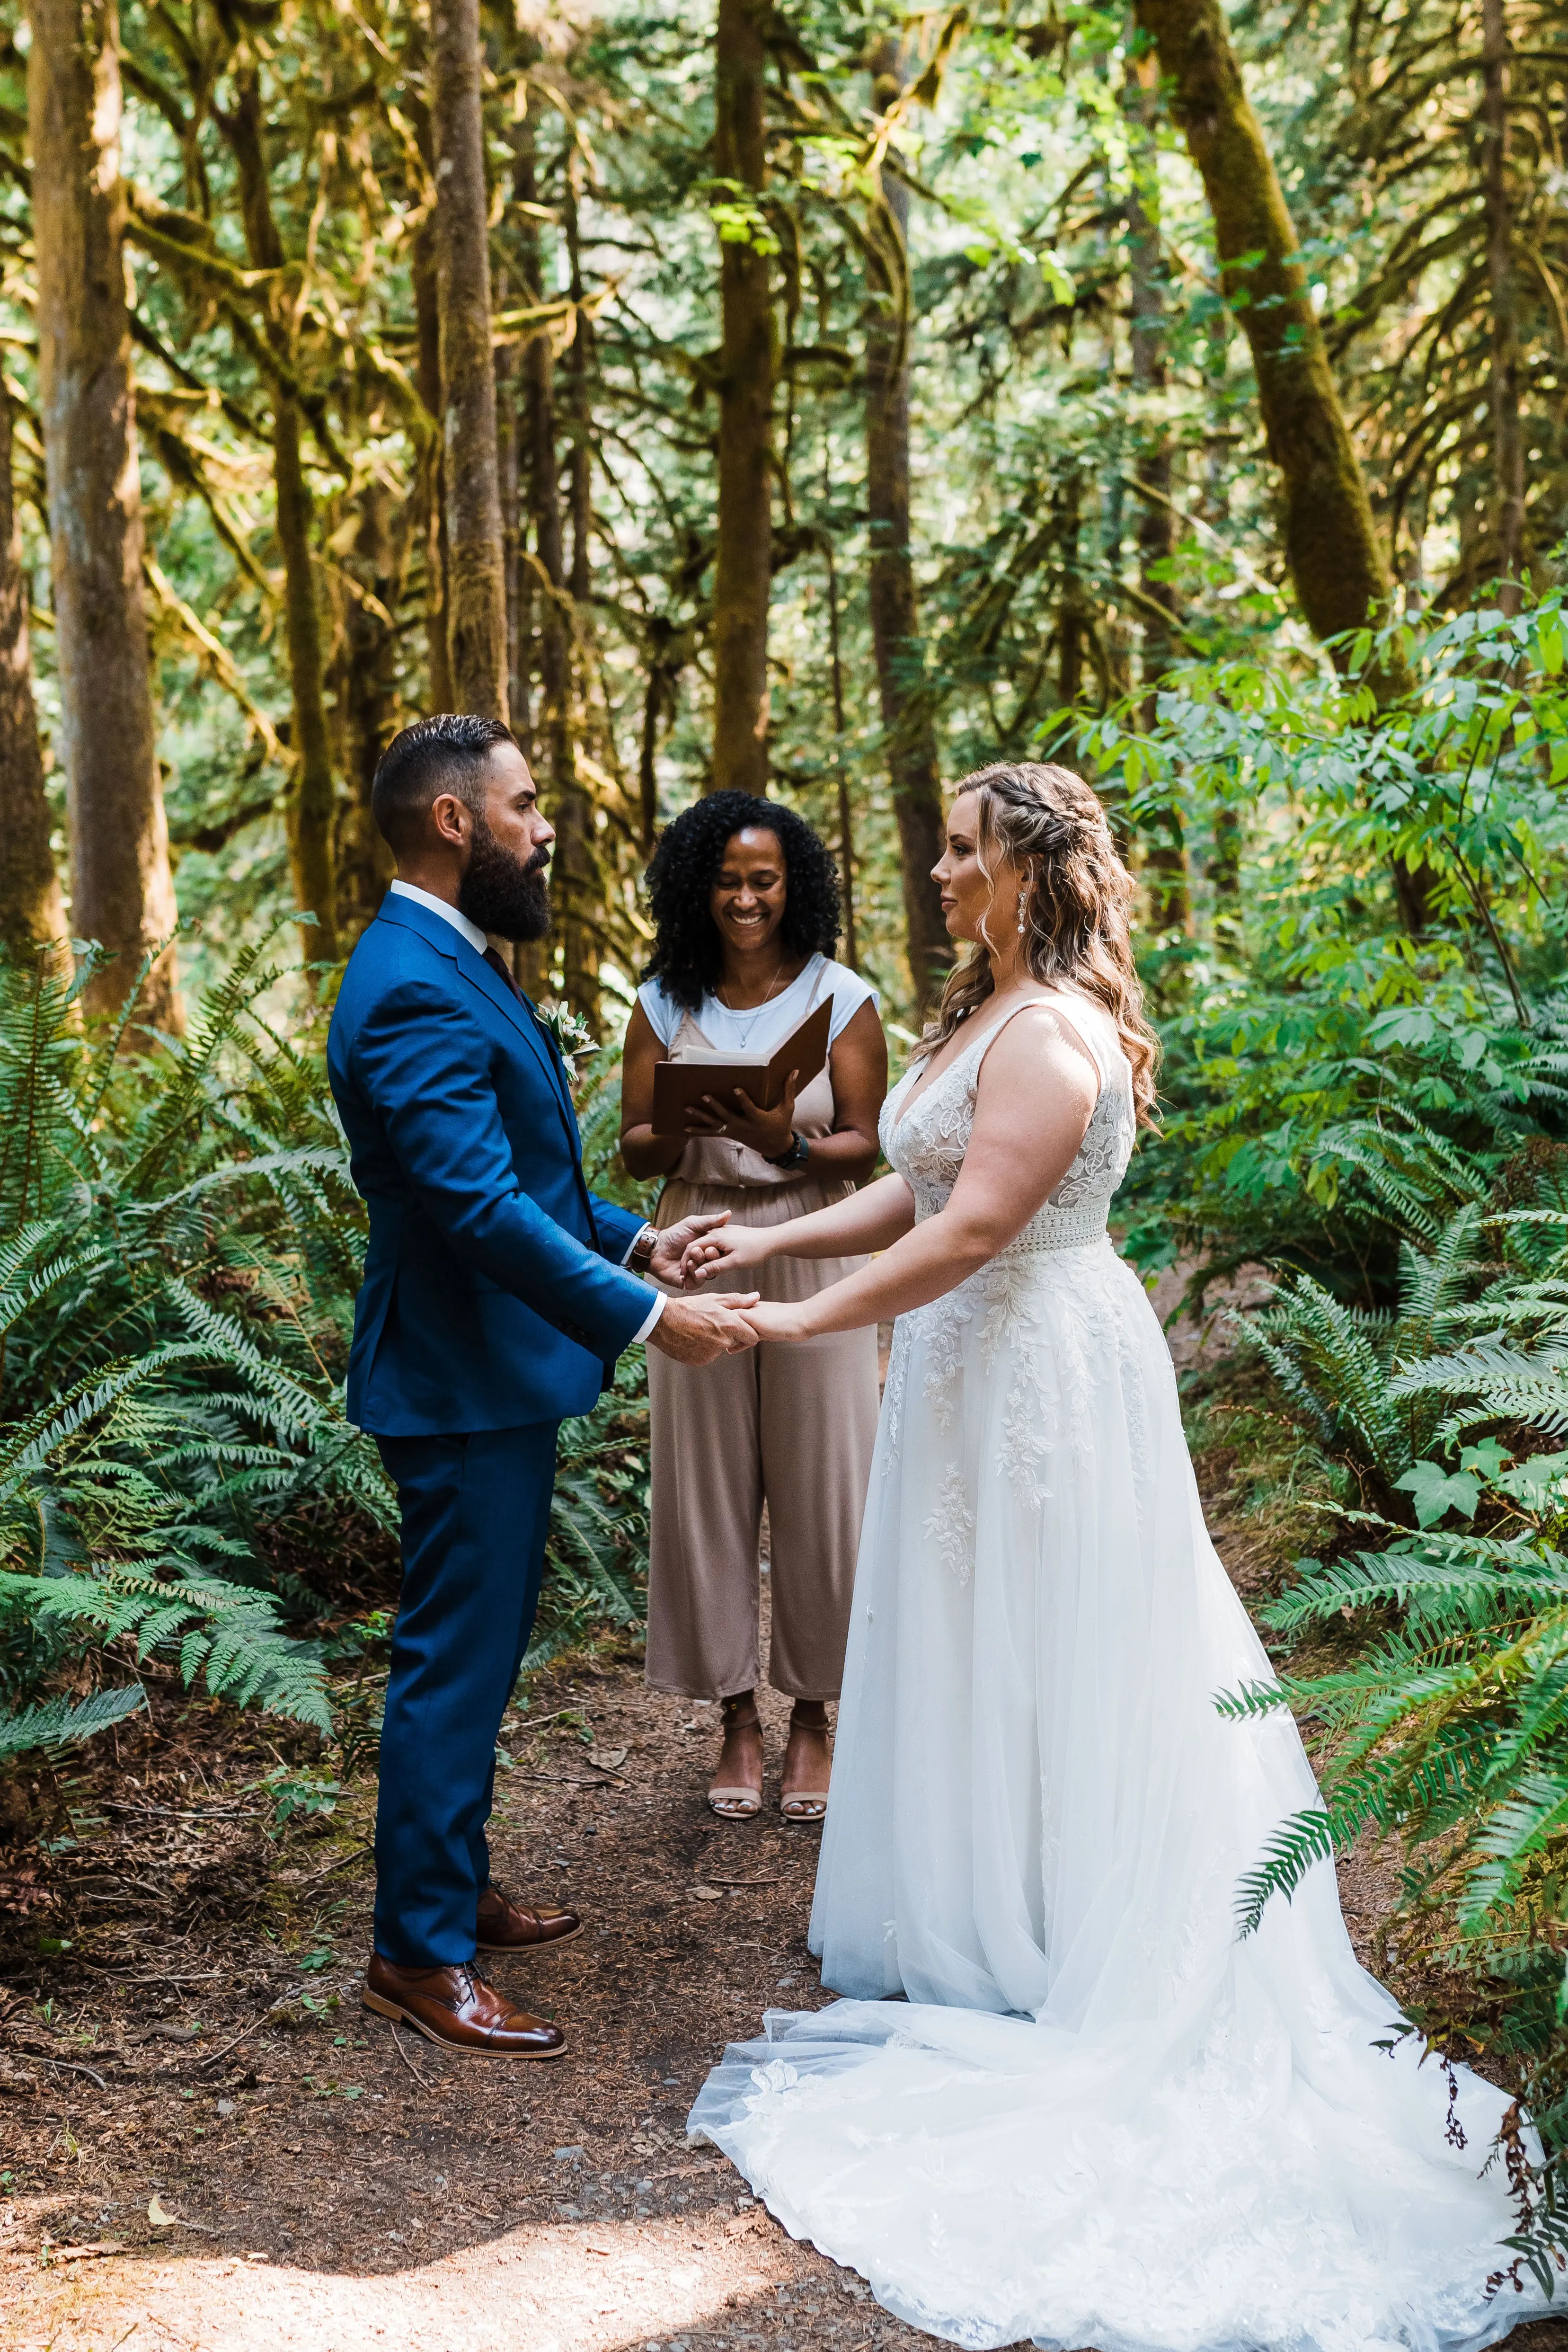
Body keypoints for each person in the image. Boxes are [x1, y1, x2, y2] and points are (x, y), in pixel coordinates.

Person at [678, 762, 1547, 2350]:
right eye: (941, 849)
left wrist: (792, 1321)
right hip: (964, 1375)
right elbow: (904, 1184)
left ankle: (1065, 1929)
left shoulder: (1060, 1034)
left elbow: (967, 1232)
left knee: (1063, 1647)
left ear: (1024, 871)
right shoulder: (983, 1014)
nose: (937, 873)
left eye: (959, 852)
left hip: (1042, 1380)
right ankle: (979, 1908)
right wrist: (768, 1235)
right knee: (971, 1639)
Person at [327, 715, 758, 2060]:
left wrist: (634, 1238)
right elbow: (470, 1208)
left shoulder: (452, 960)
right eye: (524, 804)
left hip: (491, 1375)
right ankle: (416, 1954)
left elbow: (527, 1178)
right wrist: (645, 1314)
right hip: (460, 1382)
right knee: (452, 1668)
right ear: (456, 824)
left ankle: (449, 1890)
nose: (544, 824)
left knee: (481, 1652)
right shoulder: (408, 980)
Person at [620, 792, 886, 1822]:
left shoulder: (839, 995)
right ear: (699, 886)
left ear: (795, 885)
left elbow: (865, 1139)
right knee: (707, 1481)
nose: (744, 898)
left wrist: (782, 1137)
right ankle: (736, 1716)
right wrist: (686, 1119)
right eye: (727, 880)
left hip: (814, 1236)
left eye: (763, 880)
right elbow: (633, 1144)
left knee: (825, 1478)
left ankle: (814, 1715)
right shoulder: (659, 1000)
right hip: (694, 1241)